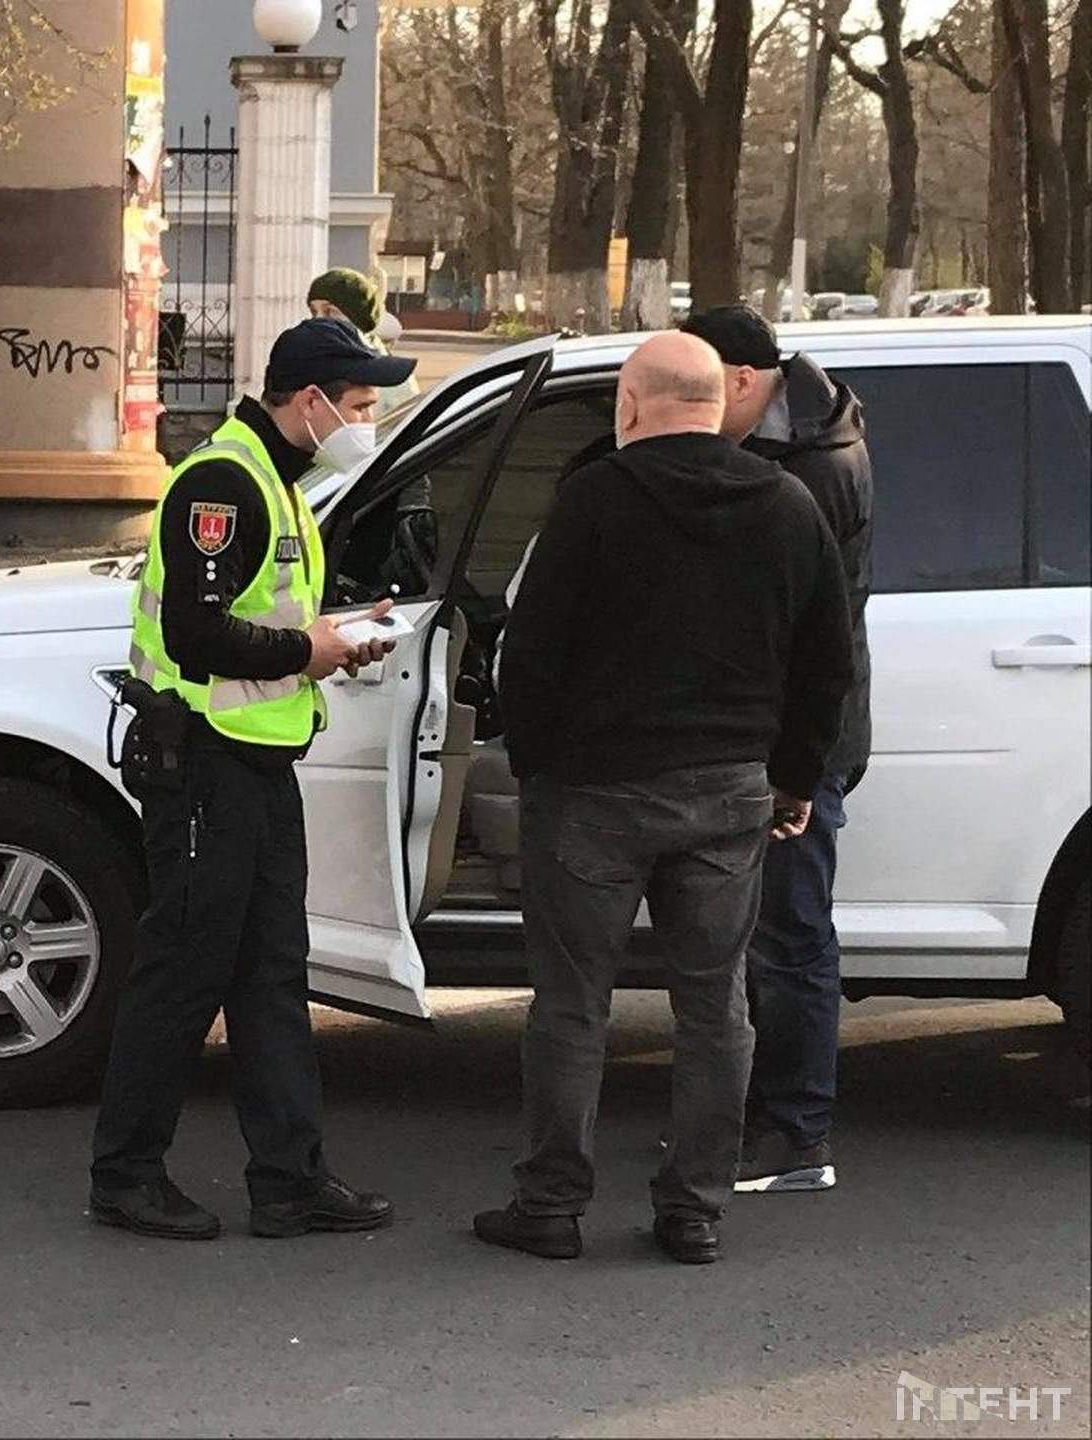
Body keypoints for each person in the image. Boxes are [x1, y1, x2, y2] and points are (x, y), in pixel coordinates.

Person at [474, 332, 854, 1265]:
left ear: (633, 406)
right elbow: (827, 663)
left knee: (571, 1006)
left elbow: (531, 650)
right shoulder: (788, 503)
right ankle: (694, 1211)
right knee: (715, 1007)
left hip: (594, 795)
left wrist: (536, 761)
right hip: (729, 794)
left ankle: (552, 1205)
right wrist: (794, 779)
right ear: (718, 401)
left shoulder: (593, 500)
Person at [89, 317, 414, 1241]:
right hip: (202, 764)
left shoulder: (276, 480)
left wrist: (333, 637)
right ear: (308, 401)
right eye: (357, 406)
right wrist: (305, 650)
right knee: (183, 972)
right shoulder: (224, 481)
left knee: (272, 974)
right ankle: (125, 1175)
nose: (366, 420)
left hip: (256, 765)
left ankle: (290, 1179)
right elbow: (195, 634)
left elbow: (256, 621)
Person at [680, 305, 873, 1195]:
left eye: (703, 389)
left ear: (745, 384)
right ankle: (757, 1116)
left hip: (792, 742)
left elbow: (797, 635)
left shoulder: (808, 468)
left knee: (789, 937)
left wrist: (790, 765)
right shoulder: (804, 434)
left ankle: (795, 1135)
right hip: (783, 735)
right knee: (761, 933)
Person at [307, 266, 418, 418]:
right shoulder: (309, 359)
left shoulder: (390, 375)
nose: (318, 319)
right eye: (314, 311)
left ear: (358, 317)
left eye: (330, 311)